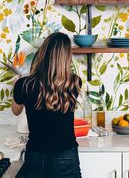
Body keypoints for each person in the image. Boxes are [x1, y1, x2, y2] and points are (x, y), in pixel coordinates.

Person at [12, 32, 82, 178]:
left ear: (43, 53)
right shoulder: (74, 83)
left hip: (36, 155)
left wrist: (16, 86)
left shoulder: (24, 84)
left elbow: (16, 111)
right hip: (66, 155)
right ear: (66, 57)